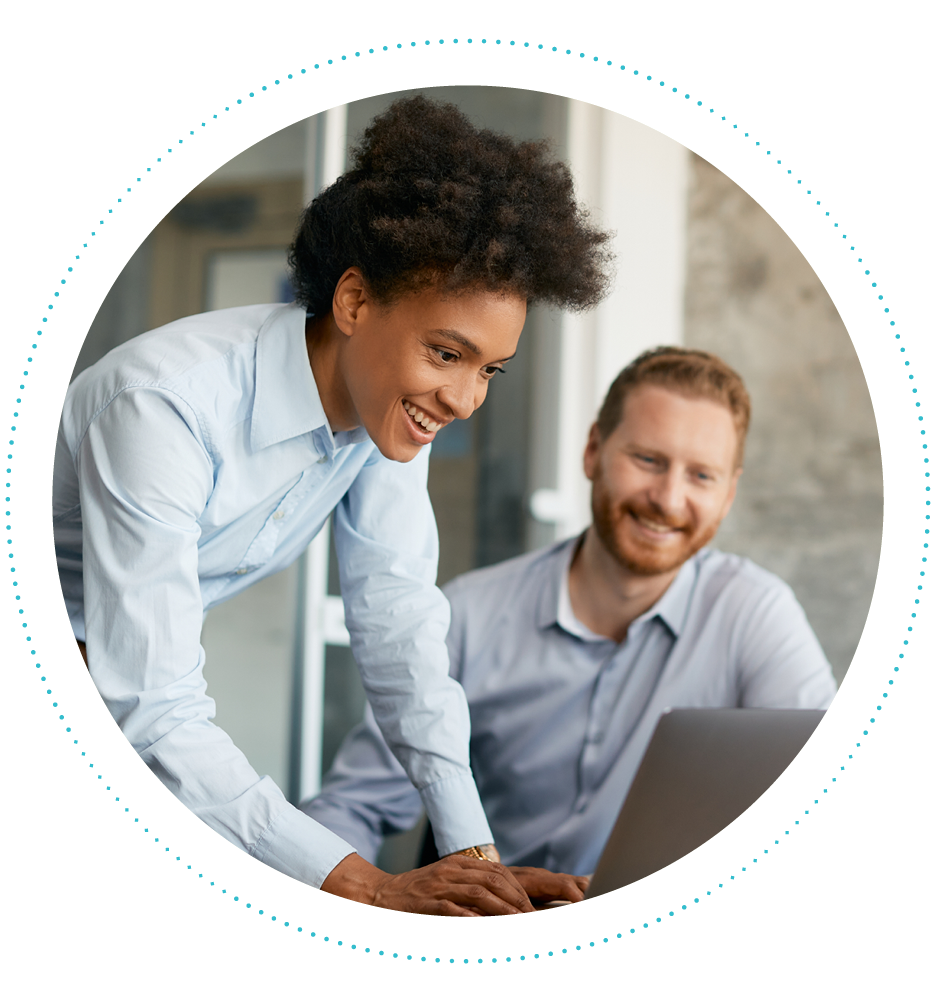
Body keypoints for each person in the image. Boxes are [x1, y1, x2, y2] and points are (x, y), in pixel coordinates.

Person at [52, 96, 611, 915]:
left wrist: (474, 859)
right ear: (354, 302)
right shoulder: (164, 407)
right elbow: (158, 704)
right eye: (446, 352)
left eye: (490, 369)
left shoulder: (382, 419)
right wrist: (365, 883)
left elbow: (399, 634)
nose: (463, 398)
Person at [303, 347, 838, 877]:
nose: (669, 500)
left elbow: (828, 804)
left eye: (701, 476)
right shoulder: (471, 614)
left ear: (729, 494)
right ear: (592, 451)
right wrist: (357, 899)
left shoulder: (756, 615)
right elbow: (351, 807)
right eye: (648, 460)